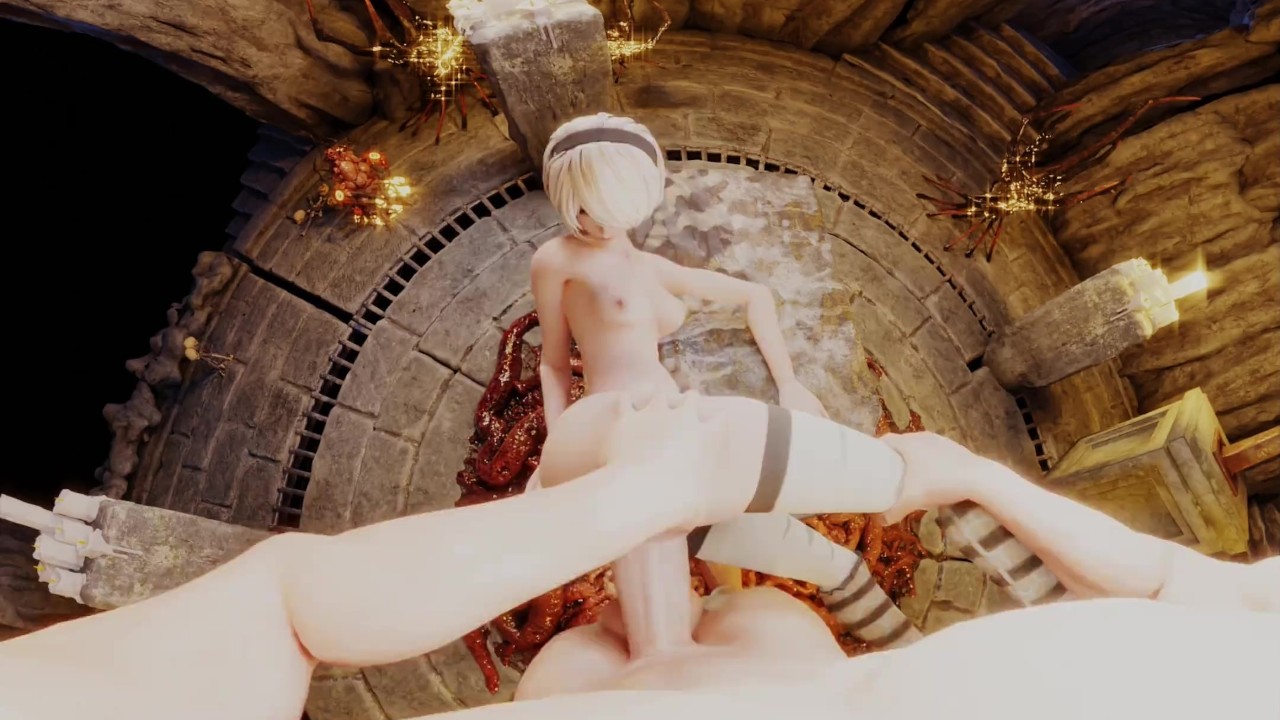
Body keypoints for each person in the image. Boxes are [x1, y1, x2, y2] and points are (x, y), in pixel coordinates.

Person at [1, 393, 1277, 720]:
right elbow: (1182, 584)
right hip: (796, 670)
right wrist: (980, 482)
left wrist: (644, 493)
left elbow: (283, 608)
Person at [530, 112, 920, 650]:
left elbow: (754, 296)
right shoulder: (557, 261)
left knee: (777, 539)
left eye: (609, 211)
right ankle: (888, 640)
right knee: (702, 567)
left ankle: (891, 637)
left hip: (683, 426)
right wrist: (563, 444)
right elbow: (552, 363)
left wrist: (789, 382)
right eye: (582, 210)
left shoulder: (648, 266)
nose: (594, 225)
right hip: (623, 442)